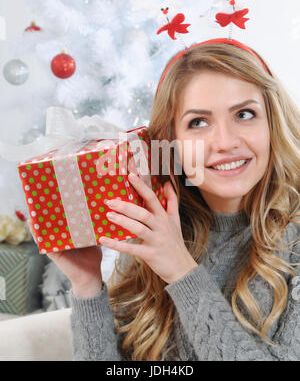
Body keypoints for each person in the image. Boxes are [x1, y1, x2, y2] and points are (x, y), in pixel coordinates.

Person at [29, 41, 300, 361]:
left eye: (244, 114)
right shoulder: (158, 233)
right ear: (170, 143)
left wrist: (182, 273)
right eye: (198, 122)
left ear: (272, 123)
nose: (226, 142)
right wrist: (87, 286)